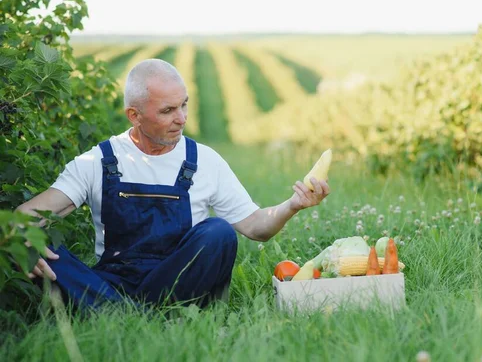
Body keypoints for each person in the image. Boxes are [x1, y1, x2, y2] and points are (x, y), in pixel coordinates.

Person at [15, 58, 330, 309]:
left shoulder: (204, 161)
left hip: (180, 285)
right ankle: (129, 313)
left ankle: (114, 314)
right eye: (168, 110)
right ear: (134, 115)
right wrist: (24, 244)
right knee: (43, 248)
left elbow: (256, 227)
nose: (182, 118)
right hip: (112, 281)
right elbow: (26, 216)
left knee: (219, 232)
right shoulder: (97, 161)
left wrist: (292, 206)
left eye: (184, 105)